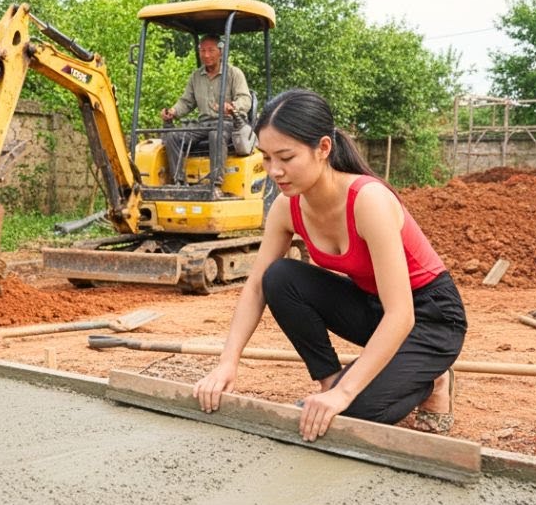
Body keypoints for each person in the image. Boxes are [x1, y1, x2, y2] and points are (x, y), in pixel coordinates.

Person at [193, 88, 466, 442]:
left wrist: (345, 394)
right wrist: (228, 361)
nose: (275, 171)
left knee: (354, 413)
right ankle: (329, 381)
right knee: (280, 277)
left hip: (430, 317)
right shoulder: (285, 208)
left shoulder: (368, 200)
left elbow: (402, 314)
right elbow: (258, 285)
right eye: (266, 158)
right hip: (373, 307)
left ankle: (433, 380)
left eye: (286, 157)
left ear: (323, 149)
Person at [160, 34, 255, 185]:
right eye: (202, 51)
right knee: (172, 136)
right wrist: (173, 111)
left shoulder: (233, 74)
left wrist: (232, 107)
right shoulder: (196, 77)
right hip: (203, 124)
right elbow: (186, 102)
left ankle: (215, 181)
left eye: (211, 50)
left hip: (229, 123)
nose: (206, 55)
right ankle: (178, 181)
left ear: (221, 52)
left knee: (216, 134)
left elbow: (245, 98)